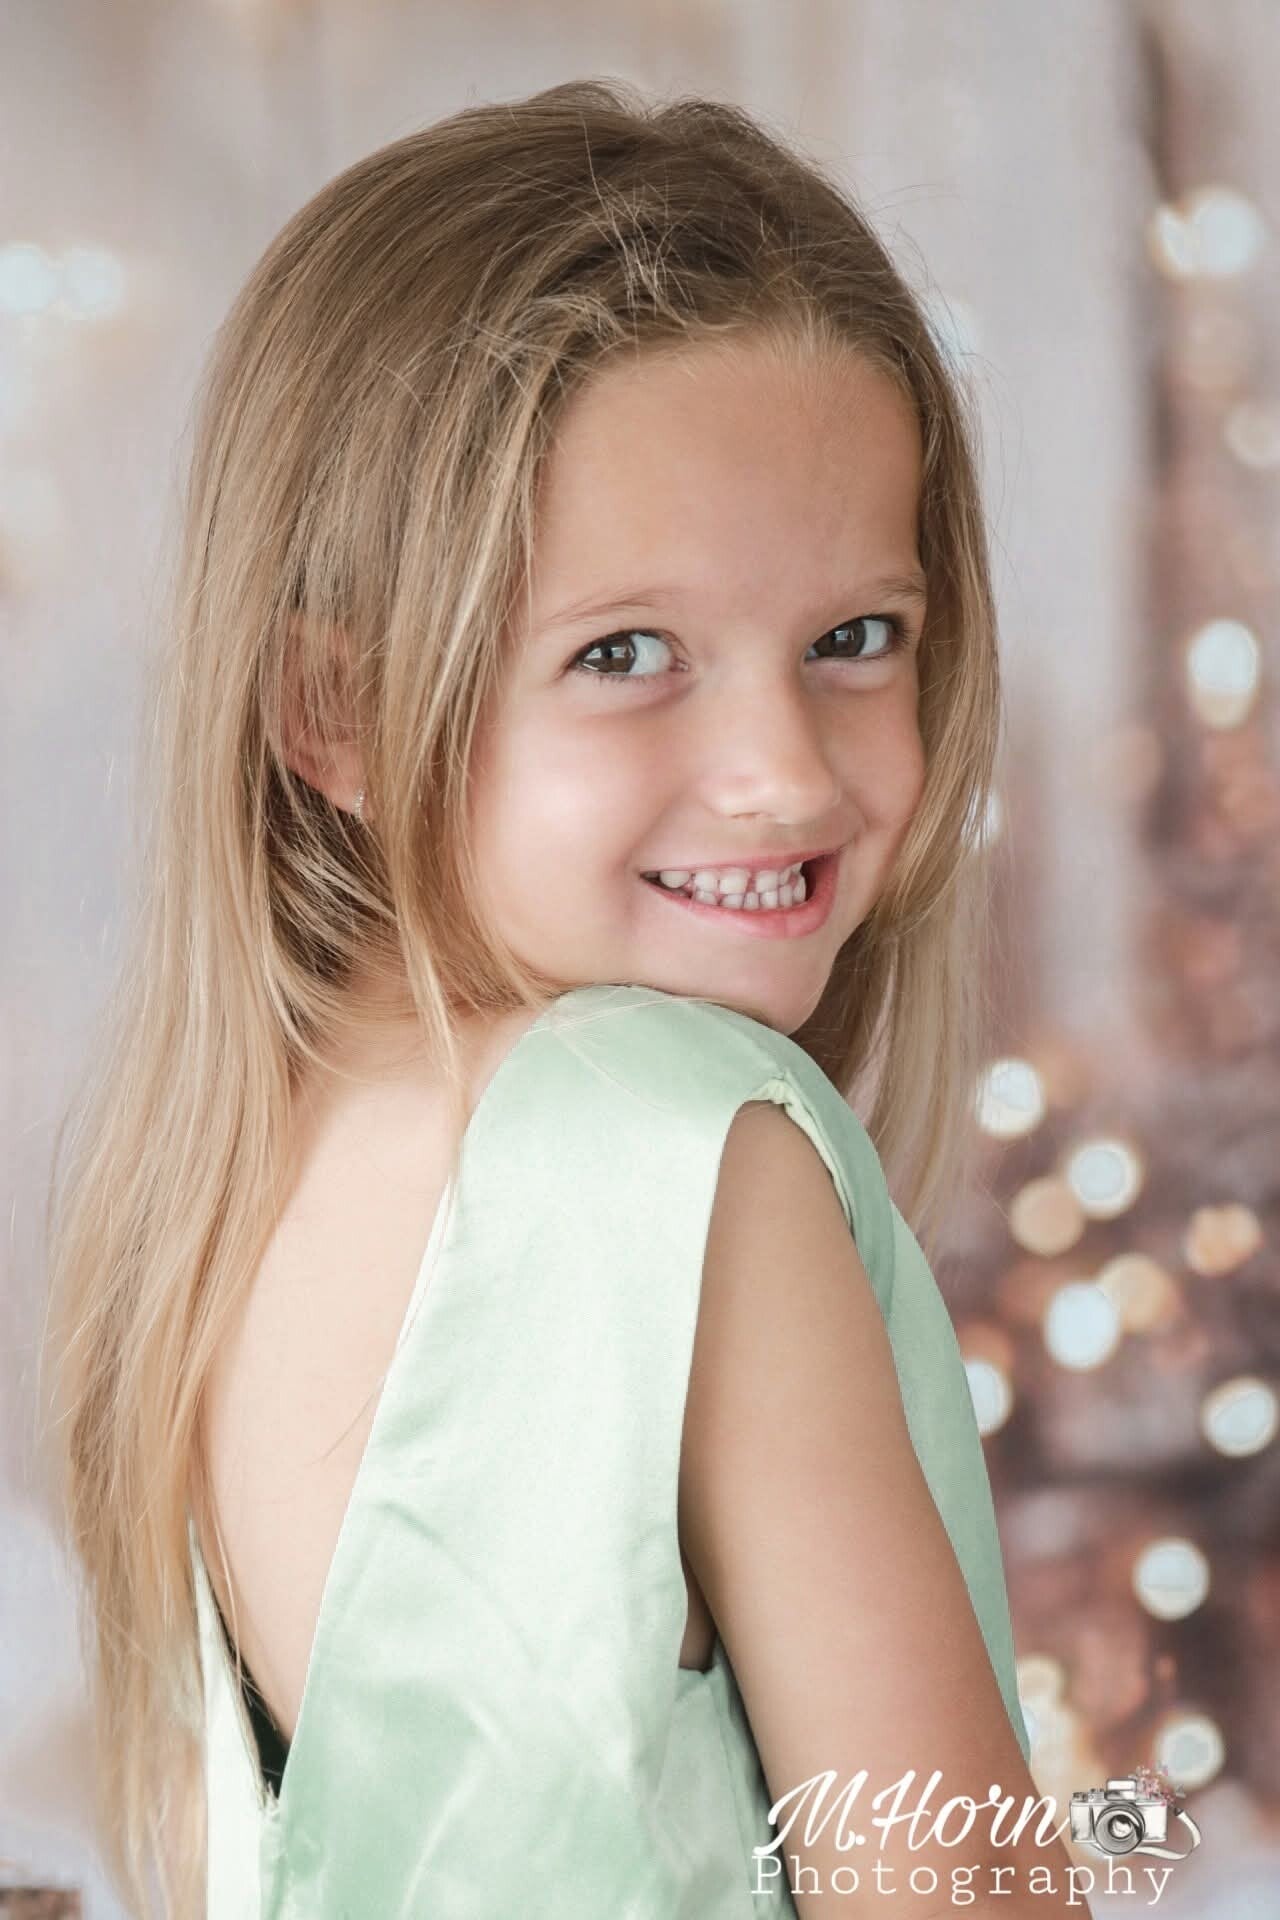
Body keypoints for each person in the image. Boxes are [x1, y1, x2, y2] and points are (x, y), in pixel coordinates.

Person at [40, 78, 1091, 1920]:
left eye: (855, 638)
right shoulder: (675, 1144)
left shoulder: (242, 1178)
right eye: (627, 653)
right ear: (335, 713)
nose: (783, 771)